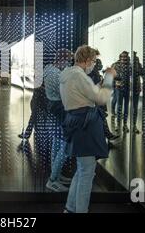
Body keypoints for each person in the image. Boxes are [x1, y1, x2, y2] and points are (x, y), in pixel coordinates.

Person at [60, 45, 116, 213]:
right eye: (93, 61)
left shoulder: (69, 75)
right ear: (85, 60)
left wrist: (97, 85)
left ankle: (70, 208)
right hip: (86, 126)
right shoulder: (79, 76)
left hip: (77, 123)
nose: (93, 64)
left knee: (83, 170)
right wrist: (108, 79)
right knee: (87, 173)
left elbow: (86, 94)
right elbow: (100, 98)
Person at [44, 49, 73, 192]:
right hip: (59, 110)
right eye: (68, 60)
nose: (68, 63)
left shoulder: (48, 70)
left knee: (56, 143)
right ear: (62, 59)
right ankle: (53, 180)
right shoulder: (56, 74)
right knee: (65, 146)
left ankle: (55, 175)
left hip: (54, 109)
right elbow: (64, 93)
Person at [88, 56, 120, 146]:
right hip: (96, 101)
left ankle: (108, 138)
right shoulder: (93, 73)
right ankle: (107, 137)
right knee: (101, 121)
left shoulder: (94, 72)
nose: (100, 65)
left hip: (97, 100)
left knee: (102, 120)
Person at [113, 51, 131, 133]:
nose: (124, 58)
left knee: (126, 107)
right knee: (119, 107)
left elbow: (133, 75)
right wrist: (116, 78)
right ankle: (118, 124)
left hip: (127, 88)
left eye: (125, 57)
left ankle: (125, 125)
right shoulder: (116, 65)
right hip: (119, 88)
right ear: (120, 57)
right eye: (122, 57)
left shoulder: (130, 66)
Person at [131, 52, 144, 134]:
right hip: (131, 87)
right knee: (132, 108)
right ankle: (132, 125)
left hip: (135, 88)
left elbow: (142, 74)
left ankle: (134, 125)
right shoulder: (129, 65)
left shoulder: (138, 64)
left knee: (134, 108)